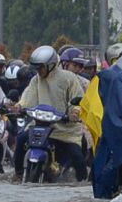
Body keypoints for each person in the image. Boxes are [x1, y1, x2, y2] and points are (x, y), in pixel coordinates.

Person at [10, 44, 88, 182]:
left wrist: (74, 112)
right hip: (41, 126)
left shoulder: (68, 78)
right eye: (37, 68)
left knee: (78, 157)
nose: (38, 71)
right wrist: (19, 106)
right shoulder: (36, 80)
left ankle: (83, 182)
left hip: (66, 130)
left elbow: (78, 100)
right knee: (21, 139)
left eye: (41, 68)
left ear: (51, 65)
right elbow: (28, 97)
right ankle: (17, 174)